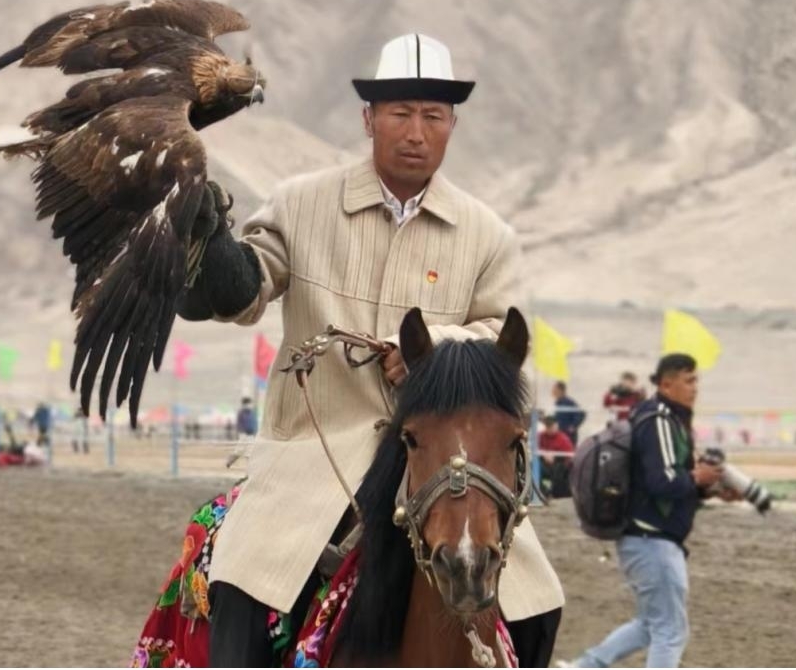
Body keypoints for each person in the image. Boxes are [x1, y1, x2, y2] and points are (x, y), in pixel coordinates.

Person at [177, 33, 564, 666]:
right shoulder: (300, 204)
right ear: (369, 119)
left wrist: (432, 347)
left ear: (451, 125)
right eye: (401, 113)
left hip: (440, 468)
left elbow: (502, 337)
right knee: (243, 593)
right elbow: (244, 291)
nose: (416, 131)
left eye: (433, 116)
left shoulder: (488, 236)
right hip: (313, 459)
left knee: (537, 603)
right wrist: (201, 237)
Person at [562, 354, 738, 669]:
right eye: (689, 380)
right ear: (667, 384)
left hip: (643, 539)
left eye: (696, 380)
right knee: (670, 631)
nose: (695, 387)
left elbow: (661, 485)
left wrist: (708, 489)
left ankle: (581, 667)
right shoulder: (659, 420)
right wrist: (697, 478)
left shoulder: (665, 419)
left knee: (649, 624)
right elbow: (663, 482)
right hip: (651, 539)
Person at [537, 414, 575, 498]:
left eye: (552, 426)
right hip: (544, 464)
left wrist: (556, 458)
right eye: (548, 426)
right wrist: (544, 455)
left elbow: (569, 458)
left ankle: (555, 492)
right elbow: (534, 449)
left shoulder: (563, 439)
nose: (550, 429)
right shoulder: (540, 436)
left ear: (556, 426)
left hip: (559, 466)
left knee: (560, 469)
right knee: (534, 466)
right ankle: (541, 491)